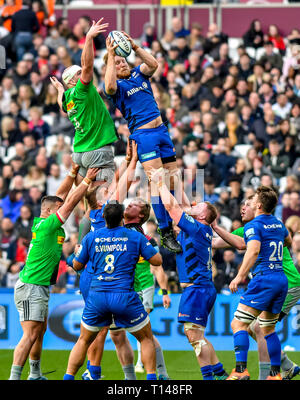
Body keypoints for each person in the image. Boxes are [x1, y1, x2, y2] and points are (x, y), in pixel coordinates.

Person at [8, 163, 100, 380]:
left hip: (39, 286)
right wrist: (86, 181)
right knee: (30, 334)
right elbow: (67, 204)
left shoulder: (46, 221)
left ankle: (35, 374)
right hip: (31, 286)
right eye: (57, 209)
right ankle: (14, 377)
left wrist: (73, 171)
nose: (62, 212)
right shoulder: (48, 225)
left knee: (39, 333)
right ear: (49, 212)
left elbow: (61, 196)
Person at [63, 203, 163, 380]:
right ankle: (151, 379)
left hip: (98, 296)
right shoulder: (135, 236)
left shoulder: (91, 237)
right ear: (122, 218)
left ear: (104, 218)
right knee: (146, 338)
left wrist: (80, 252)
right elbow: (156, 261)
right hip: (123, 295)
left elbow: (77, 265)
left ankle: (69, 377)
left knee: (84, 340)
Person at [104, 31, 183, 253]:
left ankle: (175, 222)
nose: (121, 64)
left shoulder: (139, 74)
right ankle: (165, 230)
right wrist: (111, 56)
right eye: (117, 62)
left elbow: (154, 64)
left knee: (172, 182)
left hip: (162, 131)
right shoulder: (116, 87)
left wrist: (135, 47)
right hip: (144, 136)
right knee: (158, 183)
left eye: (122, 60)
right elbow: (108, 87)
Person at [150, 167, 228, 380]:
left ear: (203, 215)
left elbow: (172, 206)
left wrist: (159, 183)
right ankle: (220, 373)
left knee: (192, 335)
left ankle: (209, 377)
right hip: (201, 287)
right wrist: (176, 178)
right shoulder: (198, 228)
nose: (194, 205)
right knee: (198, 334)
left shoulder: (196, 228)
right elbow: (184, 205)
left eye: (198, 206)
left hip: (197, 288)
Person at [212, 196, 300, 380]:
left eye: (248, 204)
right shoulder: (272, 224)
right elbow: (216, 242)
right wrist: (205, 228)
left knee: (256, 328)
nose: (243, 208)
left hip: (288, 281)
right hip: (281, 281)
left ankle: (260, 374)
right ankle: (283, 368)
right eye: (243, 203)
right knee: (260, 328)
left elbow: (246, 247)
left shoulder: (253, 228)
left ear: (258, 207)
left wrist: (239, 276)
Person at [50, 18, 118, 188]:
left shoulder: (68, 96)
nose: (83, 74)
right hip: (97, 149)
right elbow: (87, 66)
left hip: (80, 152)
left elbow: (62, 106)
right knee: (104, 198)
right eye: (78, 74)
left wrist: (60, 90)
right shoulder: (81, 90)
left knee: (86, 198)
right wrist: (89, 39)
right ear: (73, 81)